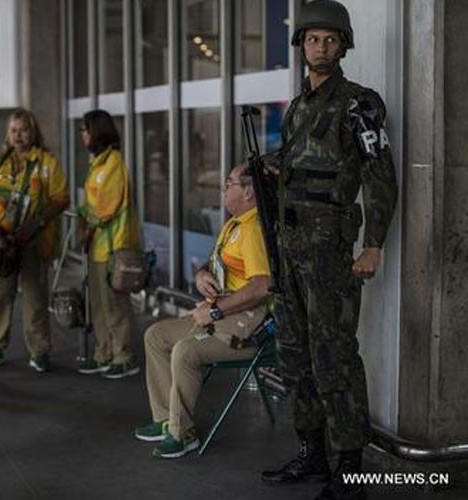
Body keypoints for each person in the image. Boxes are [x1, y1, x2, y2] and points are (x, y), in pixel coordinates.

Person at [259, 2, 398, 499]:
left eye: (330, 39)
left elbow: (380, 176)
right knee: (294, 354)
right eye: (313, 39)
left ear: (343, 45)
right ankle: (311, 453)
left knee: (334, 355)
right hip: (290, 247)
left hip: (329, 250)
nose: (321, 47)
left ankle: (350, 471)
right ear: (302, 44)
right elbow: (302, 162)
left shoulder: (359, 103)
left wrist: (374, 244)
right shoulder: (298, 107)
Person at [133, 164, 271, 458]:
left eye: (229, 182)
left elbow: (262, 286)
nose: (223, 187)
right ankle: (164, 419)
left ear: (248, 191)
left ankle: (183, 433)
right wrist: (201, 276)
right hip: (217, 317)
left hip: (244, 329)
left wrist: (216, 311)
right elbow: (213, 265)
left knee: (185, 351)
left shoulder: (254, 230)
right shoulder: (233, 225)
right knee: (156, 335)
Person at [0, 109, 69, 372]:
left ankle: (39, 350)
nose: (18, 136)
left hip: (33, 241)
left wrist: (37, 222)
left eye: (24, 130)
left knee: (34, 297)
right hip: (2, 241)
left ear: (33, 132)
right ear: (8, 134)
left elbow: (61, 198)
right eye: (14, 130)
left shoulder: (47, 163)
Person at [76, 109, 143, 379]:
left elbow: (106, 208)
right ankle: (104, 352)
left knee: (115, 304)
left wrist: (84, 218)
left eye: (85, 129)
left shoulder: (114, 162)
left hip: (115, 246)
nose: (83, 134)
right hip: (97, 246)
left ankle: (124, 357)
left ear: (97, 131)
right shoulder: (98, 164)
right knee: (99, 306)